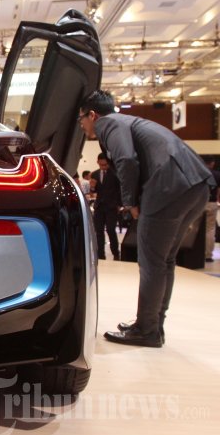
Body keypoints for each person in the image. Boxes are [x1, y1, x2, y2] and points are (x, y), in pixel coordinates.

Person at [77, 90, 215, 347]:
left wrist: (130, 202)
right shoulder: (129, 122)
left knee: (152, 262)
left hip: (168, 187)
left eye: (81, 119)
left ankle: (146, 329)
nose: (81, 125)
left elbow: (126, 159)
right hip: (196, 185)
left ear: (92, 115)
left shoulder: (109, 123)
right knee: (164, 260)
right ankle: (153, 325)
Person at [90, 153, 122, 260]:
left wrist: (119, 205)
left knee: (111, 230)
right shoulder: (94, 174)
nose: (103, 167)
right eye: (101, 165)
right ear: (97, 162)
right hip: (99, 206)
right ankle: (100, 255)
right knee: (98, 231)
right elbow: (93, 191)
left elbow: (120, 190)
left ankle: (115, 253)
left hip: (112, 206)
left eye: (105, 165)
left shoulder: (115, 173)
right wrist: (92, 187)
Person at [203, 157, 220, 262]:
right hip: (212, 202)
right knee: (210, 229)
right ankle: (208, 255)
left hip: (198, 203)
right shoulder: (217, 175)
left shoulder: (198, 172)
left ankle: (194, 253)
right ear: (212, 163)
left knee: (194, 229)